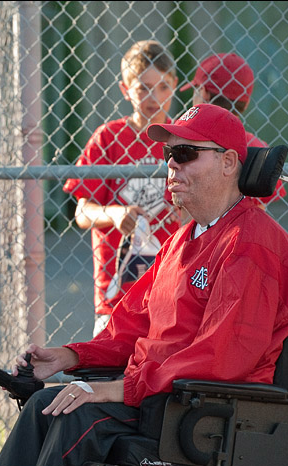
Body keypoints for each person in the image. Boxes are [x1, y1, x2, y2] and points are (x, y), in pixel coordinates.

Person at [0, 104, 288, 466]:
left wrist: (119, 389)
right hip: (160, 395)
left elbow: (222, 356)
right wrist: (70, 356)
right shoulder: (181, 240)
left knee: (74, 418)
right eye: (169, 154)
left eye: (186, 153)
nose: (172, 165)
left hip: (206, 409)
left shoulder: (252, 244)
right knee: (43, 405)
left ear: (228, 163)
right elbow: (131, 325)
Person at [62, 40, 181, 337]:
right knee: (109, 374)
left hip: (173, 285)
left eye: (163, 86)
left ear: (175, 86)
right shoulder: (109, 138)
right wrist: (115, 214)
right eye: (143, 87)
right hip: (117, 290)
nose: (153, 96)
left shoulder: (182, 138)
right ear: (125, 89)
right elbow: (82, 213)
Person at [180, 52, 286, 206]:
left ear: (203, 92)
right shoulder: (259, 149)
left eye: (195, 88)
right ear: (246, 102)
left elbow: (185, 217)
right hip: (243, 230)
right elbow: (260, 210)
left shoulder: (187, 147)